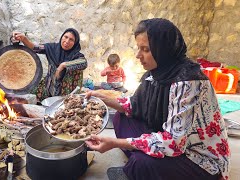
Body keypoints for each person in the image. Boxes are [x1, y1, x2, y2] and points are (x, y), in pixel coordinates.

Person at [85, 18, 230, 180]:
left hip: (199, 158)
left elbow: (174, 143)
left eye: (145, 49)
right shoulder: (155, 74)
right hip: (169, 138)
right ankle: (141, 165)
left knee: (142, 163)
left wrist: (116, 143)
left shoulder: (188, 82)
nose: (138, 55)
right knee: (121, 118)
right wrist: (101, 97)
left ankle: (139, 167)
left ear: (163, 49)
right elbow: (133, 105)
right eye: (139, 48)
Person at [12, 28, 87, 101]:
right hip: (50, 90)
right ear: (62, 37)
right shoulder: (52, 48)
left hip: (69, 95)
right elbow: (35, 48)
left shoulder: (77, 56)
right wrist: (24, 39)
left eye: (71, 40)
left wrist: (63, 65)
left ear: (75, 43)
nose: (67, 41)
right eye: (66, 37)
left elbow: (84, 63)